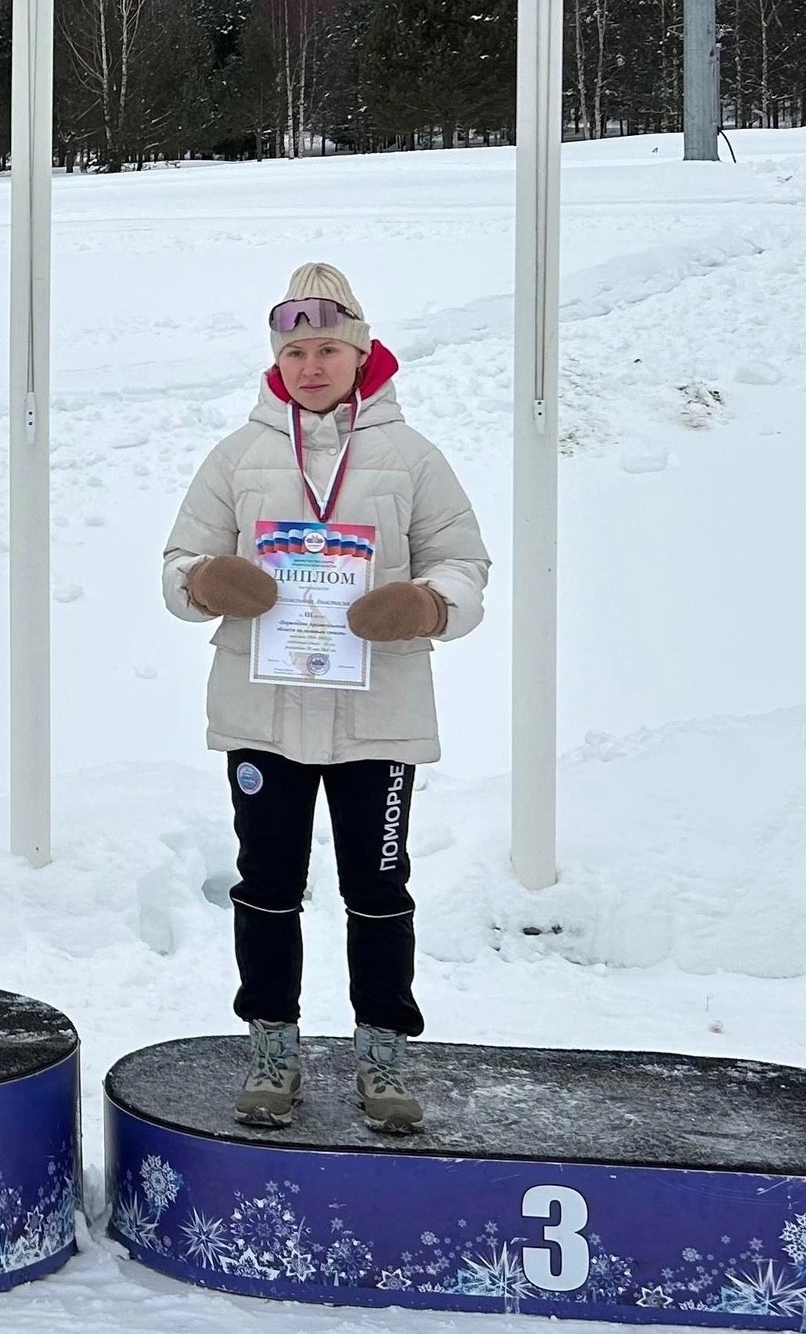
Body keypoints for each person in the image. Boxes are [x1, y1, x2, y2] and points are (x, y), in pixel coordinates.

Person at [162, 263, 489, 1134]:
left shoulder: (412, 457)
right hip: (262, 709)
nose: (311, 365)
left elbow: (466, 564)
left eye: (328, 349)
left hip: (377, 714)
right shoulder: (237, 456)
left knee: (378, 886)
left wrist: (429, 602)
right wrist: (205, 580)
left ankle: (383, 1049)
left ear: (362, 352)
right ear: (278, 359)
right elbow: (175, 565)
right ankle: (273, 1044)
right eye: (296, 349)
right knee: (266, 883)